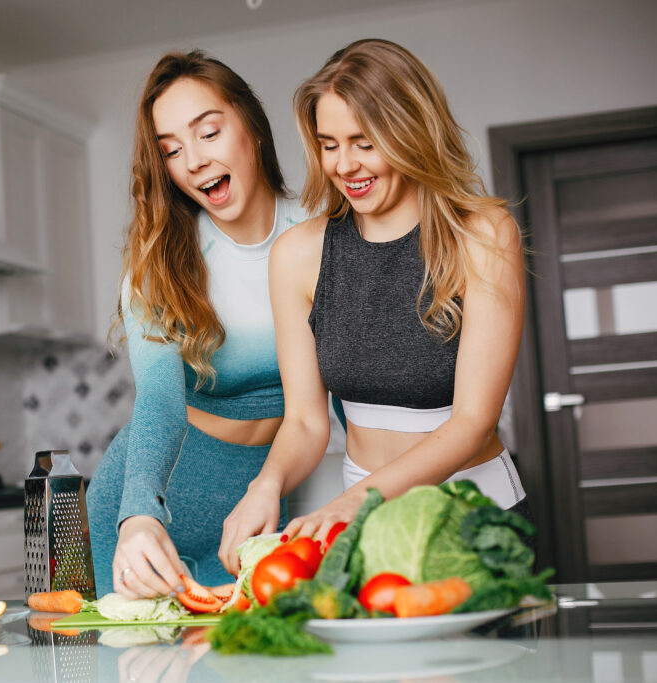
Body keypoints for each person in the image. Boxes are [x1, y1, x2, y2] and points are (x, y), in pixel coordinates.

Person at [219, 38, 528, 573]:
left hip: (473, 514)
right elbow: (306, 422)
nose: (344, 165)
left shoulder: (483, 234)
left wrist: (355, 504)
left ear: (410, 130)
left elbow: (474, 421)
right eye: (328, 144)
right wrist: (265, 486)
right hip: (363, 520)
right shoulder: (297, 255)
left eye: (364, 142)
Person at [86, 50, 315, 598]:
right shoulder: (159, 260)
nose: (192, 160)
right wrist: (138, 514)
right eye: (171, 150)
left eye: (208, 132)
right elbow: (160, 403)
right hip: (148, 509)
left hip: (259, 504)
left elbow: (348, 396)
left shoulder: (321, 236)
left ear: (252, 128)